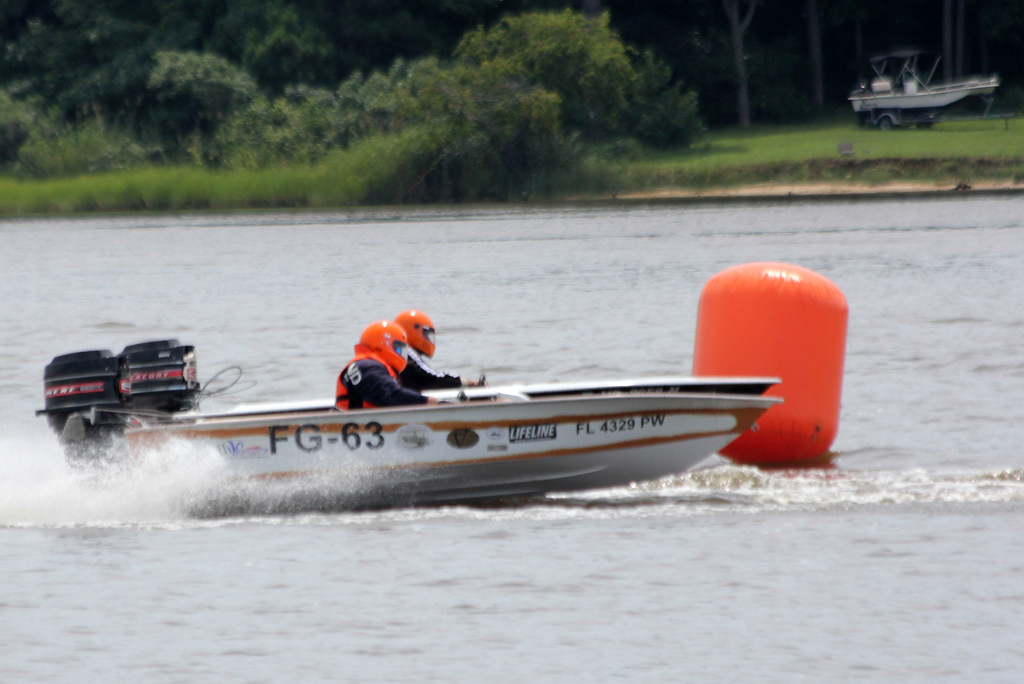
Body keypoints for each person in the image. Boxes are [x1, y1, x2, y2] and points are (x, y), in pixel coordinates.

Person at [336, 320, 438, 409]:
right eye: (399, 348)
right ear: (383, 345)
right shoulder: (367, 367)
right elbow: (391, 395)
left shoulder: (366, 365)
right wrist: (435, 403)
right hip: (361, 426)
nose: (402, 354)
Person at [393, 309, 483, 392]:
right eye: (426, 334)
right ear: (413, 331)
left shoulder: (396, 351)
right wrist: (469, 383)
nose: (428, 339)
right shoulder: (406, 353)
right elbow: (433, 378)